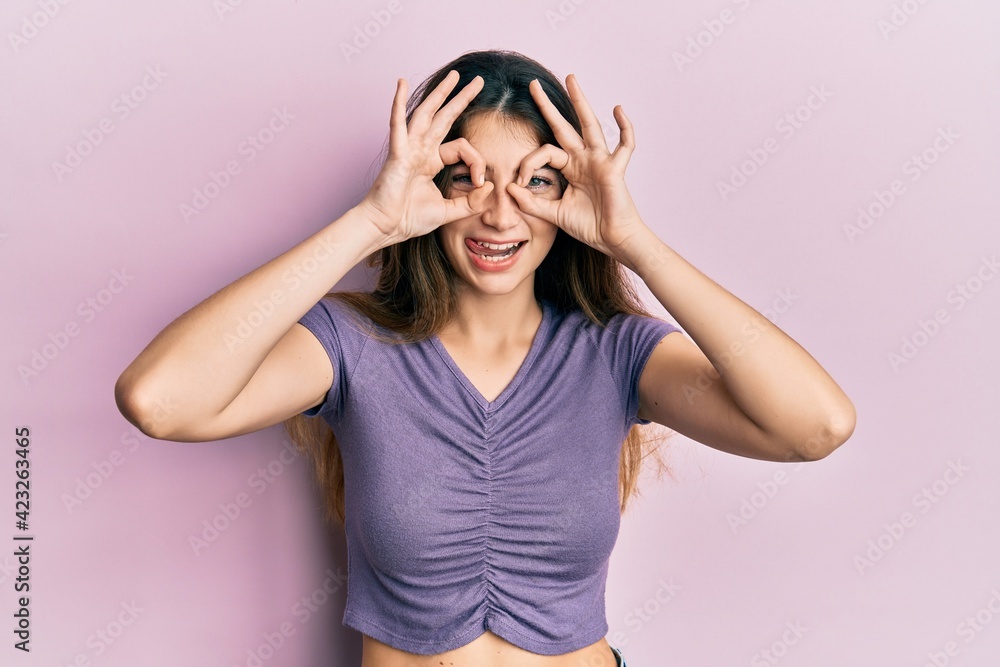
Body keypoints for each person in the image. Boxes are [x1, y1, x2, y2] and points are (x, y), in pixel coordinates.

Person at [115, 49, 856, 667]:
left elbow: (815, 426)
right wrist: (370, 222)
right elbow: (160, 399)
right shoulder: (352, 347)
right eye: (468, 177)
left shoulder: (615, 351)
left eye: (534, 180)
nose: (499, 213)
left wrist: (634, 243)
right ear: (430, 185)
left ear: (569, 193)